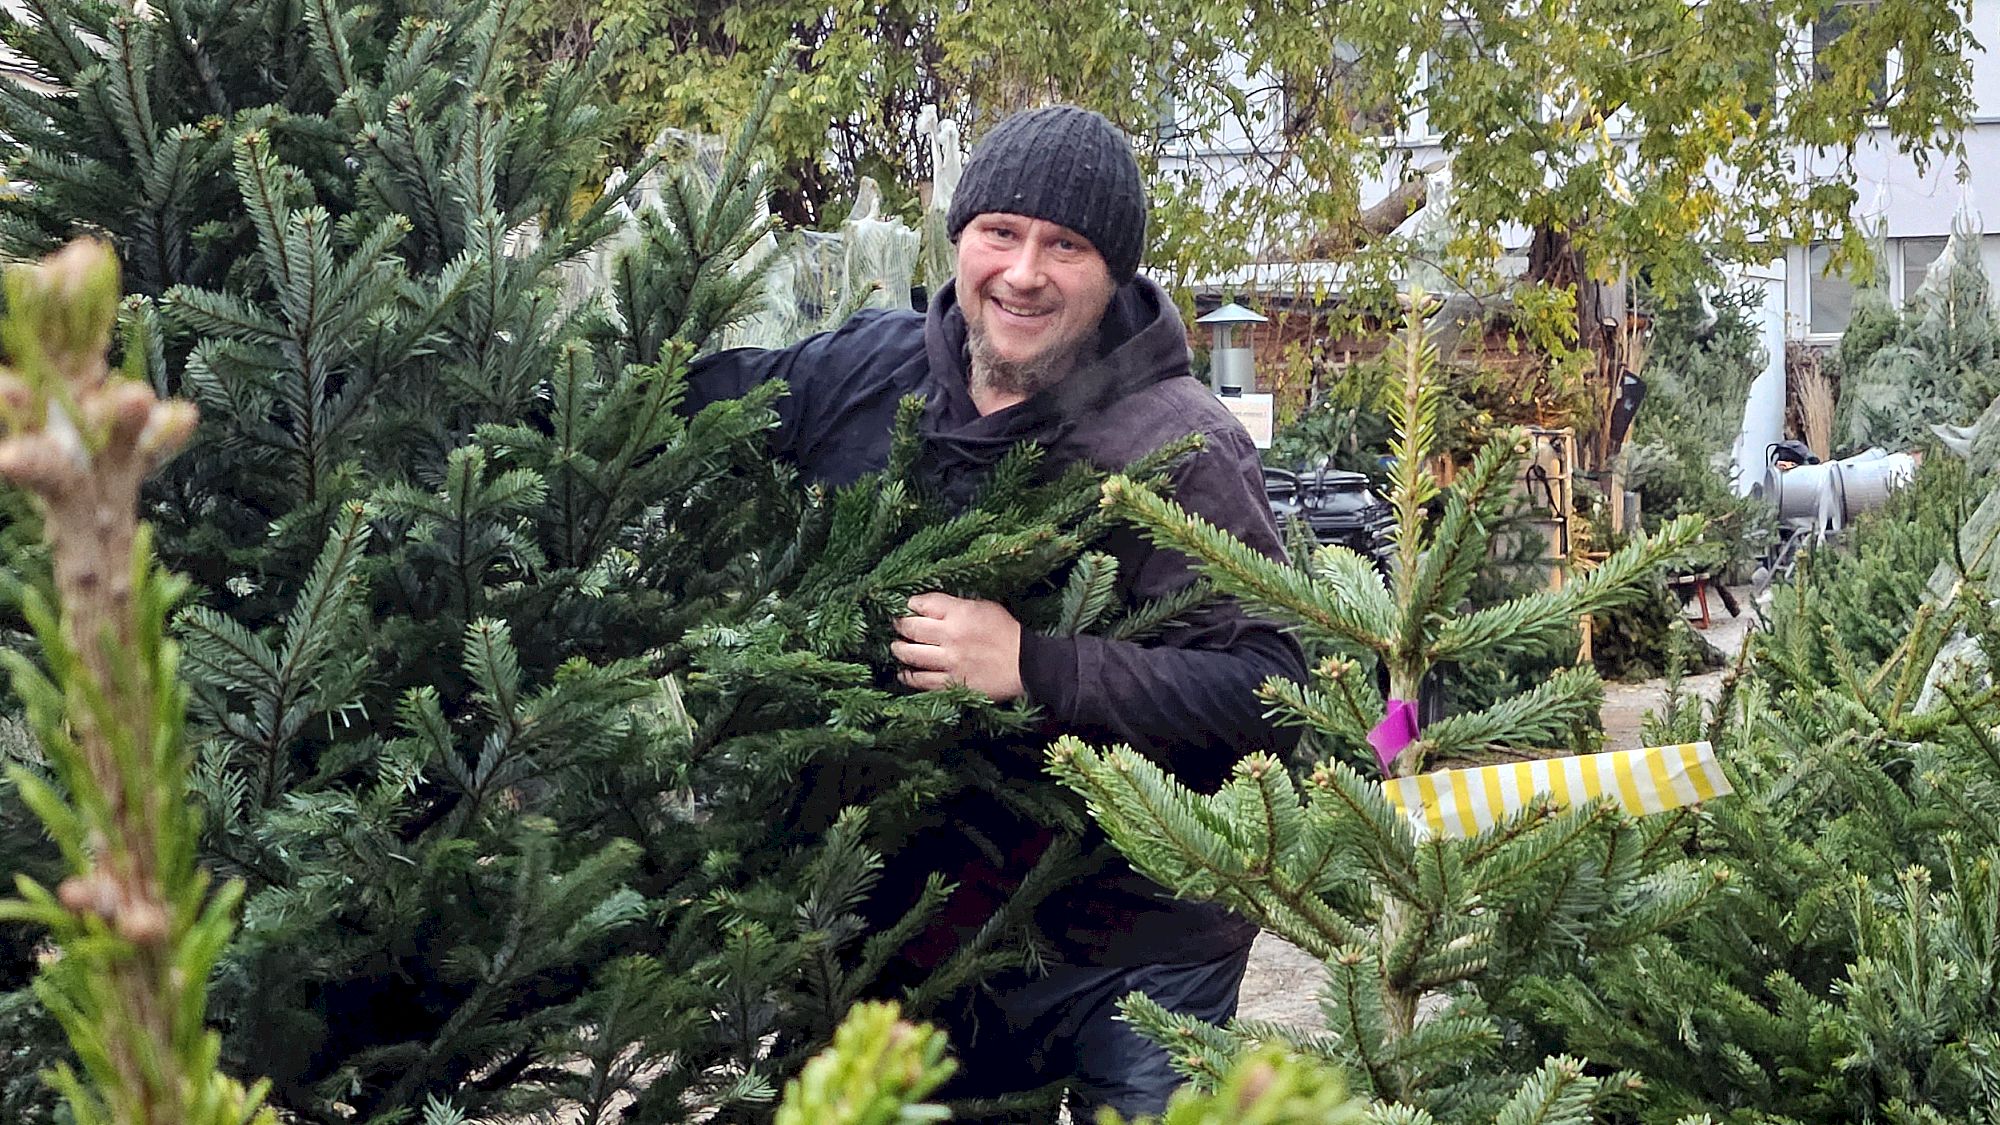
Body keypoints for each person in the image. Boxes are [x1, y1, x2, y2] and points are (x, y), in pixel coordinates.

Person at [684, 104, 1305, 1119]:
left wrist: (1035, 665)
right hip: (916, 935)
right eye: (1000, 233)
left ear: (1110, 275)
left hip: (1131, 947)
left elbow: (1272, 690)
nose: (1023, 272)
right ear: (959, 239)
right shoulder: (870, 372)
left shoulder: (1179, 445)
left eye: (1065, 245)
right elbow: (690, 403)